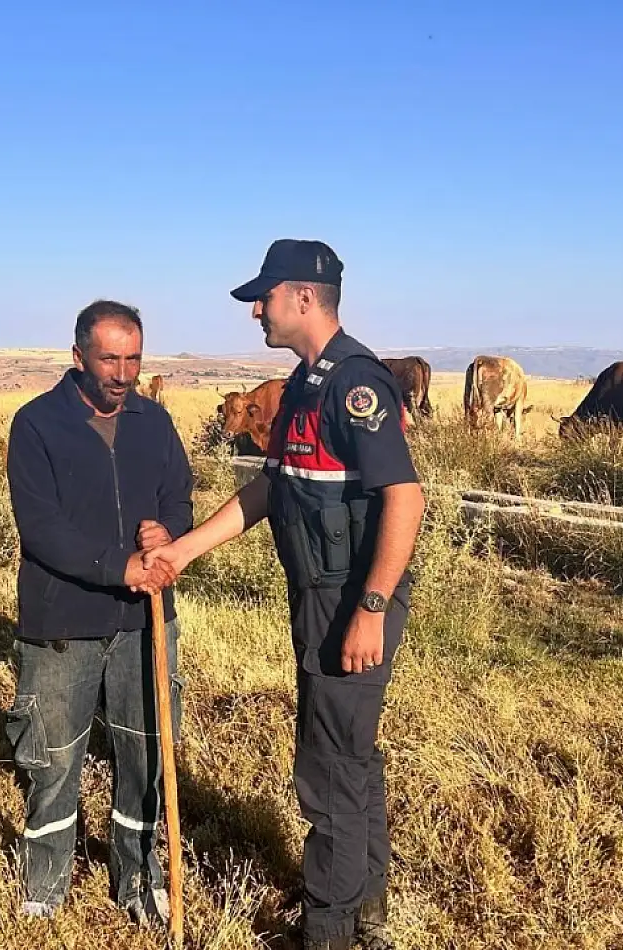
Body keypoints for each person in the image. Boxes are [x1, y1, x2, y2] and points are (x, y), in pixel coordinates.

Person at [144, 240, 423, 950]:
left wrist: (371, 609)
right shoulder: (301, 387)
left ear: (303, 297)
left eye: (262, 299)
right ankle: (366, 915)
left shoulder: (355, 385)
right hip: (318, 598)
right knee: (349, 753)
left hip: (349, 603)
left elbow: (405, 497)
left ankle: (327, 931)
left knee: (327, 767)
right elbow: (271, 490)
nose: (256, 312)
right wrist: (185, 549)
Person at [3, 299, 194, 924]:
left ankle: (136, 878)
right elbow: (41, 528)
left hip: (144, 621)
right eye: (109, 358)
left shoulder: (154, 423)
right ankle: (46, 887)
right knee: (54, 758)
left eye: (133, 357)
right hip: (63, 622)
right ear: (78, 353)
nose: (122, 372)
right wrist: (120, 567)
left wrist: (166, 532)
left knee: (145, 754)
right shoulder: (37, 424)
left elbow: (180, 500)